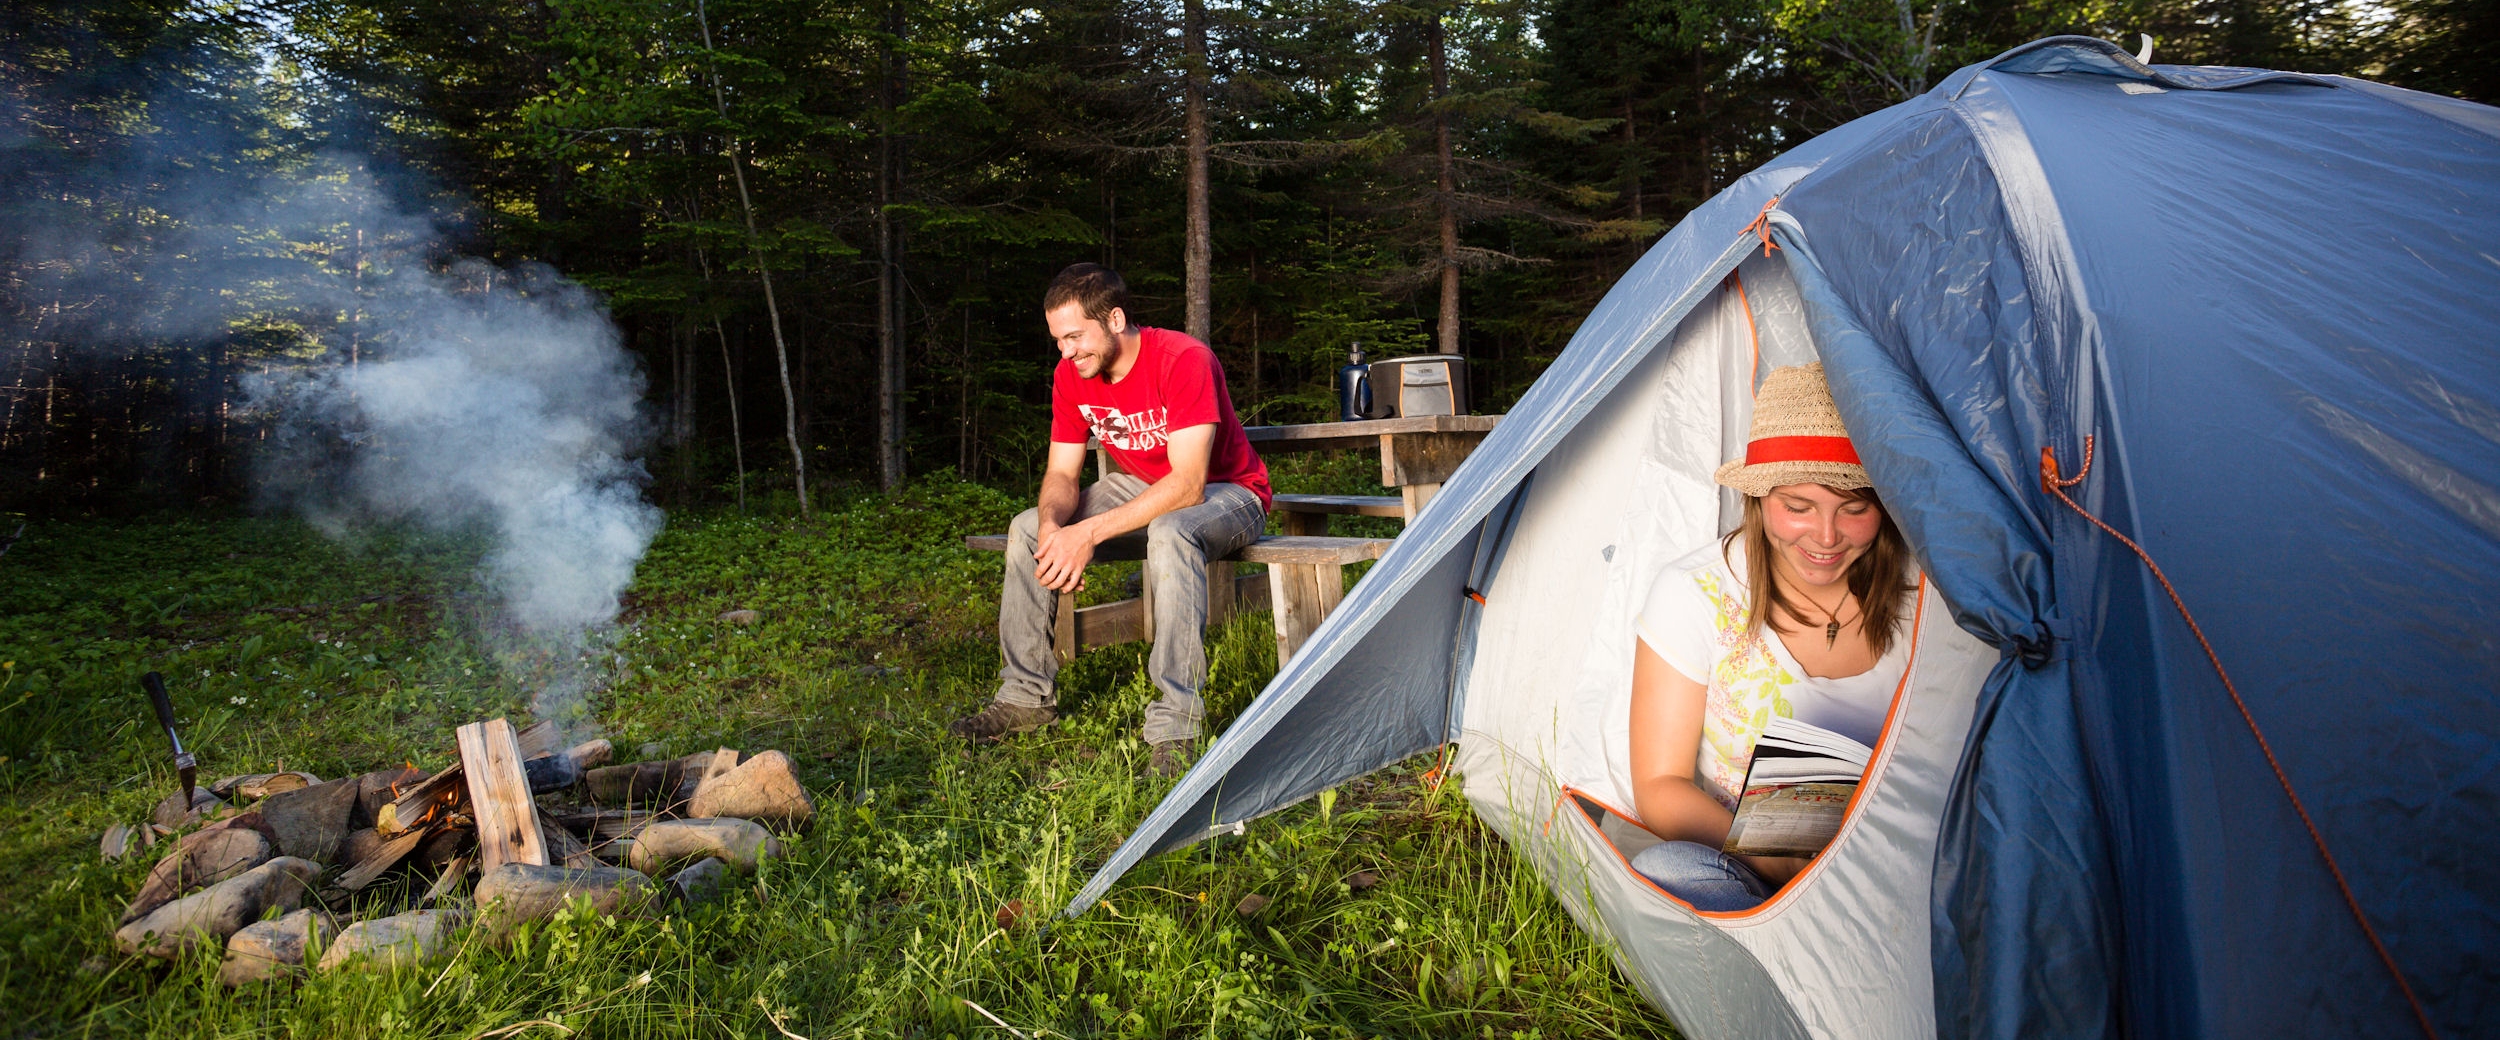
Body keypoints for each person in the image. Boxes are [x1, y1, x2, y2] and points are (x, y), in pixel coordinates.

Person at [949, 263, 1273, 777]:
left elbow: (1188, 484)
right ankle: (1026, 698)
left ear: (1115, 319)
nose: (1066, 351)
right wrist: (1057, 524)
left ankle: (1176, 728)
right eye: (1058, 340)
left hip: (1228, 491)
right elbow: (1061, 471)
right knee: (1027, 526)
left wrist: (1090, 532)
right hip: (1145, 487)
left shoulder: (1184, 360)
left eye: (1075, 336)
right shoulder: (1070, 376)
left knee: (1171, 530)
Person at [1625, 362, 1916, 912]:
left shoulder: (1927, 594)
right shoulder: (1695, 593)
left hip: (1896, 862)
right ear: (1758, 502)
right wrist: (1770, 856)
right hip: (1753, 868)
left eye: (1855, 509)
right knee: (1666, 872)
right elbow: (1660, 785)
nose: (1826, 538)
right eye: (1798, 508)